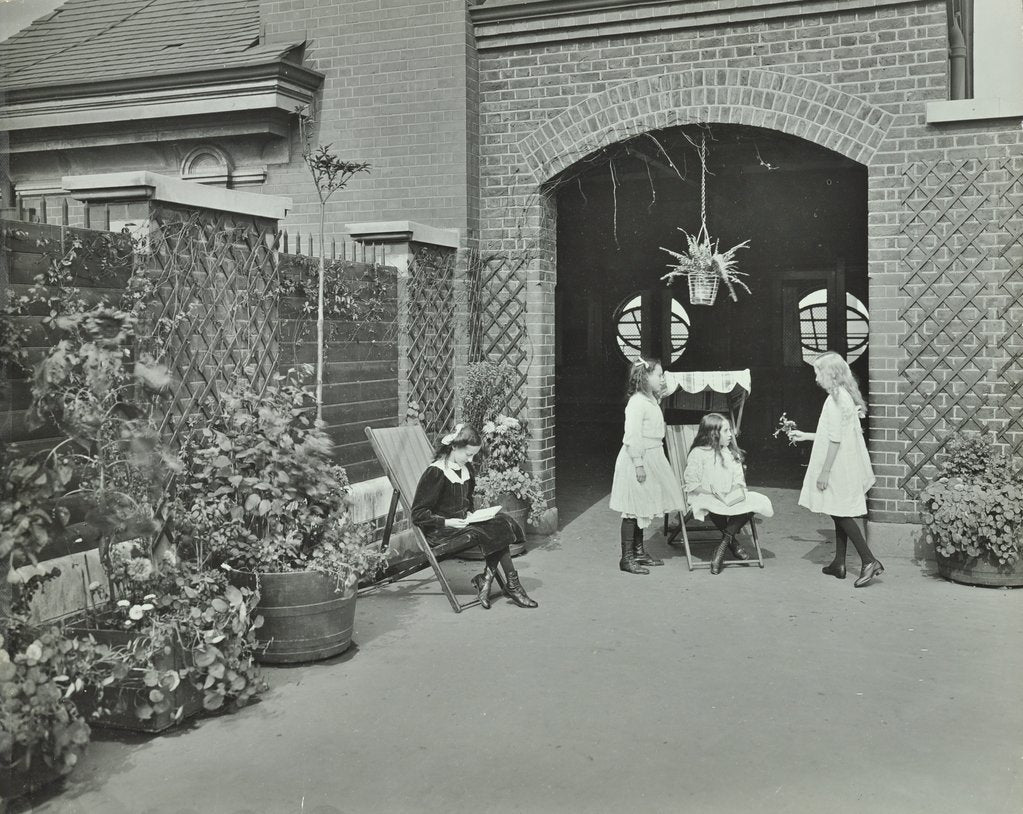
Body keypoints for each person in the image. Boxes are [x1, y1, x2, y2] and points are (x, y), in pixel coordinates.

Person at [410, 423, 538, 609]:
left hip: (463, 524)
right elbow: (418, 514)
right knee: (493, 529)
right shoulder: (436, 472)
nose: (470, 460)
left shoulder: (466, 469)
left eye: (474, 455)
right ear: (454, 447)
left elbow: (467, 500)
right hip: (441, 531)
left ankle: (490, 579)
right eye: (468, 454)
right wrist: (448, 521)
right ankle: (508, 585)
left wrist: (470, 513)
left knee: (503, 520)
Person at [790, 351, 882, 588]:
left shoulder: (835, 399)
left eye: (818, 372)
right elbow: (836, 433)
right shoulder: (844, 396)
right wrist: (807, 436)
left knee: (841, 512)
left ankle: (869, 560)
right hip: (846, 462)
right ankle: (839, 563)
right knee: (837, 508)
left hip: (837, 464)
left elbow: (835, 440)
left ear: (830, 373)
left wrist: (825, 472)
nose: (816, 378)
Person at [608, 357, 687, 575]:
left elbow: (668, 385)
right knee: (632, 509)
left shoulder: (651, 399)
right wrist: (639, 464)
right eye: (658, 375)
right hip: (638, 458)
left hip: (654, 454)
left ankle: (640, 551)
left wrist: (662, 381)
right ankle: (627, 558)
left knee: (642, 505)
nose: (662, 379)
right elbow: (632, 436)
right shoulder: (637, 403)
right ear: (645, 377)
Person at [683, 413, 774, 574]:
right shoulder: (698, 453)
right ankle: (731, 543)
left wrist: (733, 493)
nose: (731, 434)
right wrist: (714, 493)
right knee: (715, 504)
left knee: (756, 500)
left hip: (728, 498)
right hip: (705, 496)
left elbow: (739, 482)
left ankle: (723, 545)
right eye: (726, 431)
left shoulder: (732, 454)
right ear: (713, 433)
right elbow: (692, 485)